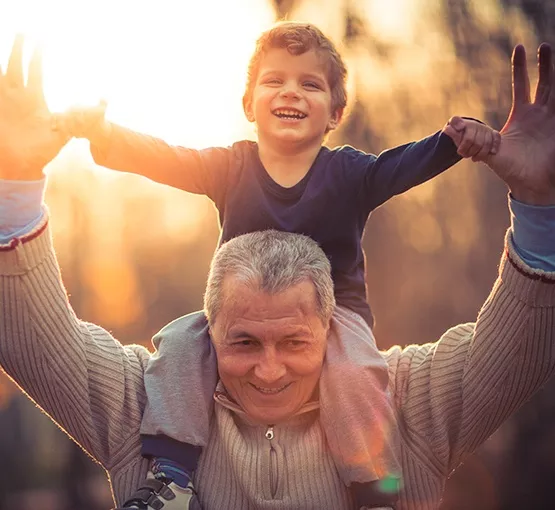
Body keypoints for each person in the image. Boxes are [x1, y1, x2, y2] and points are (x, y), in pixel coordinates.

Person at [1, 34, 555, 510]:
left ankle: (371, 489)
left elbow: (512, 354)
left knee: (352, 366)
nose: (269, 372)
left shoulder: (407, 407)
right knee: (179, 347)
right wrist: (19, 181)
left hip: (349, 327)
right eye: (243, 341)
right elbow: (34, 339)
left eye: (293, 341)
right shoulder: (142, 404)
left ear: (336, 111)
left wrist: (521, 193)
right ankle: (170, 478)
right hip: (197, 352)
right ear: (248, 102)